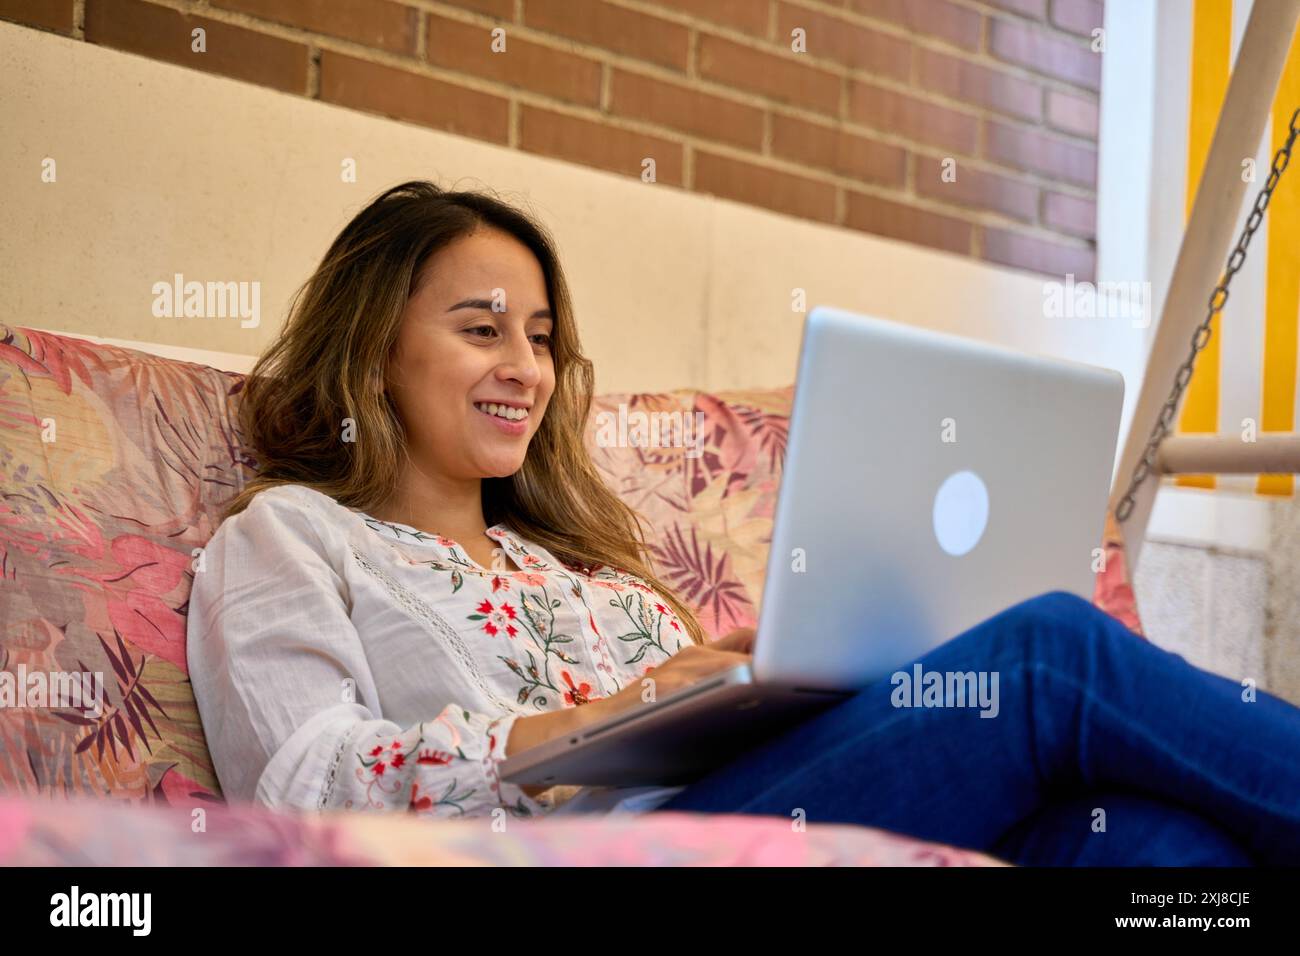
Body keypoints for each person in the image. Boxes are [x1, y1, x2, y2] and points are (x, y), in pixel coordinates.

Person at [186, 181, 1300, 866]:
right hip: (581, 851)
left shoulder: (585, 571)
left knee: (1163, 852)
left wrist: (741, 686)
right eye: (482, 330)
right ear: (374, 348)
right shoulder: (293, 536)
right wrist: (586, 718)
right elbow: (302, 785)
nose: (524, 367)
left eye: (539, 336)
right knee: (1049, 653)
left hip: (738, 811)